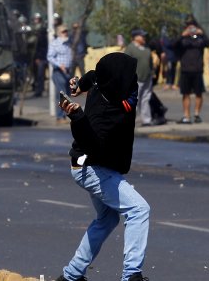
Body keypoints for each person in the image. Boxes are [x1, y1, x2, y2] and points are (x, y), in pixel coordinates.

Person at [56, 52, 150, 281]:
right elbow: (92, 145)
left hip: (102, 165)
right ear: (117, 80)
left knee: (107, 219)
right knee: (139, 209)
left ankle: (71, 276)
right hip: (91, 166)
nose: (133, 80)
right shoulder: (104, 113)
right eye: (129, 76)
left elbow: (93, 75)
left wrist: (79, 84)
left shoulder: (115, 87)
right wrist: (78, 117)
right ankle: (131, 276)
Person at [174, 16, 209, 124]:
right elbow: (173, 45)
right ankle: (186, 116)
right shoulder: (183, 38)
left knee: (199, 93)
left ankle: (197, 114)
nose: (191, 29)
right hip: (185, 70)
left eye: (193, 27)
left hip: (197, 70)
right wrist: (182, 35)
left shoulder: (200, 38)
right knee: (185, 93)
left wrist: (202, 33)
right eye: (189, 27)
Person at [124, 28, 154, 126]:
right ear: (135, 37)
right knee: (134, 100)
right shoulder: (130, 48)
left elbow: (150, 63)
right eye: (142, 36)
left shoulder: (146, 48)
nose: (144, 38)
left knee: (145, 99)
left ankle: (146, 120)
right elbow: (125, 63)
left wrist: (152, 73)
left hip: (147, 78)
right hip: (135, 79)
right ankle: (131, 120)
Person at [47, 24, 74, 122]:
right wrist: (59, 65)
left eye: (66, 31)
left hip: (68, 71)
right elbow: (50, 57)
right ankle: (60, 116)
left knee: (68, 94)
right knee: (63, 94)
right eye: (63, 31)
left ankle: (64, 115)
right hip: (59, 72)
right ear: (59, 33)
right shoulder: (55, 43)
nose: (66, 33)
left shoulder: (68, 43)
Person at [32, 13, 48, 98]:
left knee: (41, 75)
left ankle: (40, 90)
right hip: (41, 57)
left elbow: (40, 47)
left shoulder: (43, 36)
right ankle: (38, 90)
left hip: (44, 57)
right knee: (39, 75)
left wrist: (38, 57)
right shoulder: (37, 35)